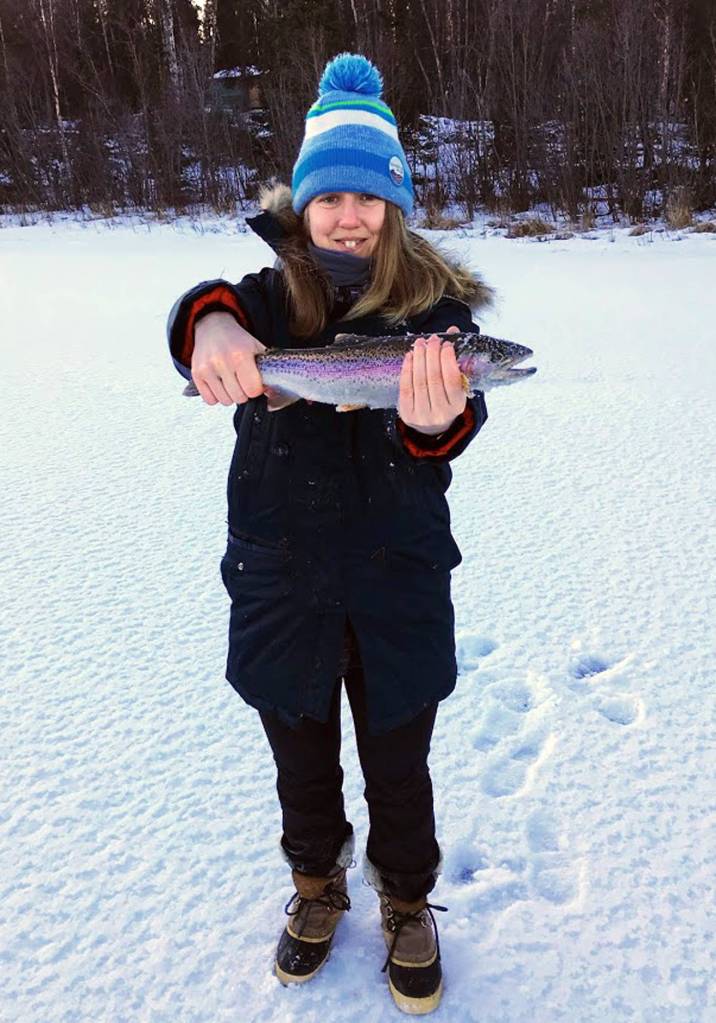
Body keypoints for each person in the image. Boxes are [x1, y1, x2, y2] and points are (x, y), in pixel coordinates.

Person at [166, 53, 492, 1016]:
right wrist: (211, 332)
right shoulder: (262, 302)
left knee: (401, 758)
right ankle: (317, 885)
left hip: (397, 580)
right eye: (331, 196)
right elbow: (200, 307)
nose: (350, 215)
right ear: (304, 205)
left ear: (395, 207)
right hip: (279, 578)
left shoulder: (435, 317)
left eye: (370, 197)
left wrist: (433, 422)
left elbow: (451, 432)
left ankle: (404, 899)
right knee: (298, 757)